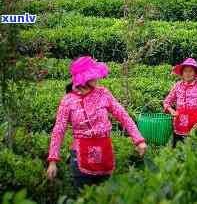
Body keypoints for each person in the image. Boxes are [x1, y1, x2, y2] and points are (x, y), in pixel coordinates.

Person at [46, 56, 147, 191]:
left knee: (105, 197)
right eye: (92, 75)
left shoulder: (104, 94)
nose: (97, 77)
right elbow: (59, 129)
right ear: (84, 79)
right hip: (80, 157)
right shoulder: (68, 101)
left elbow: (123, 116)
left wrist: (138, 140)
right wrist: (53, 160)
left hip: (104, 153)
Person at [163, 58, 197, 147]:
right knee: (178, 151)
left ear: (195, 73)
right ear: (182, 73)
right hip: (179, 125)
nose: (188, 73)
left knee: (193, 153)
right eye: (185, 71)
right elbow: (166, 102)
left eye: (190, 71)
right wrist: (171, 110)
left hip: (196, 126)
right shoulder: (177, 86)